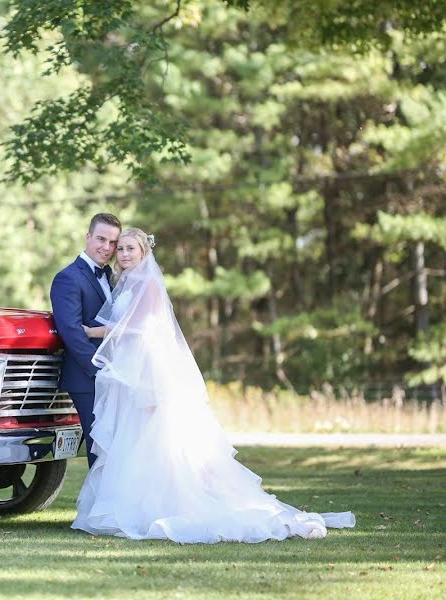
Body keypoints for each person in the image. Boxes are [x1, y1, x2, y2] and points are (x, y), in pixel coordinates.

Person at [71, 227, 355, 542]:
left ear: (144, 252)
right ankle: (138, 503)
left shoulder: (149, 283)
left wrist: (91, 332)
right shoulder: (126, 283)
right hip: (131, 366)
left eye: (130, 249)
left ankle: (170, 504)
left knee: (157, 435)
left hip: (148, 367)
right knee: (135, 435)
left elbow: (136, 326)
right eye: (120, 249)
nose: (123, 254)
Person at [50, 213, 122, 467]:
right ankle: (100, 506)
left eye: (113, 242)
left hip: (114, 374)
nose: (107, 247)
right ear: (88, 237)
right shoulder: (68, 278)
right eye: (101, 239)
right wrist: (97, 370)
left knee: (116, 444)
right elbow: (71, 332)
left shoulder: (113, 276)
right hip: (87, 377)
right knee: (99, 447)